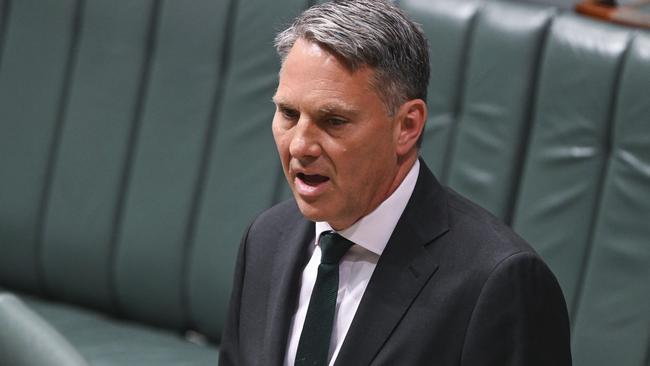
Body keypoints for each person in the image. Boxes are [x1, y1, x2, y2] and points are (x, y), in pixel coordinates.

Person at [219, 0, 571, 365]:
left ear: (407, 126)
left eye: (334, 121)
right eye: (289, 114)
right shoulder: (265, 240)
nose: (300, 145)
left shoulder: (498, 284)